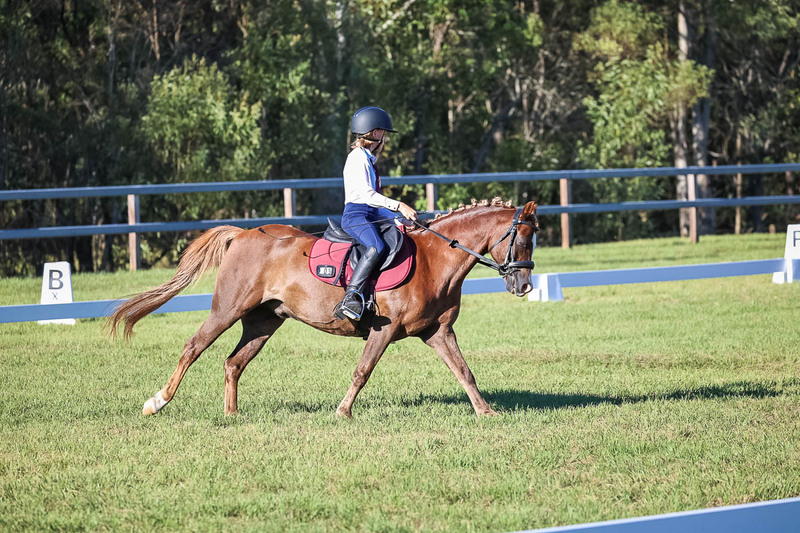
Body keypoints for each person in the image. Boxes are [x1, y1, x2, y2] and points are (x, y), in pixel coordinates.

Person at [333, 106, 417, 321]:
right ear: (375, 133)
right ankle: (351, 296)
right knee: (376, 246)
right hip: (355, 216)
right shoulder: (357, 158)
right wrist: (399, 205)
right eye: (383, 133)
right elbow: (366, 195)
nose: (385, 138)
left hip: (371, 214)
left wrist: (399, 220)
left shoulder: (368, 159)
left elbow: (375, 203)